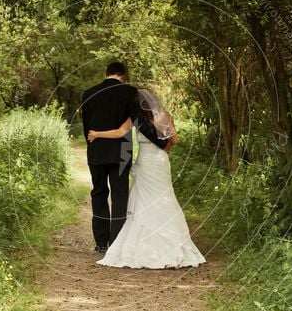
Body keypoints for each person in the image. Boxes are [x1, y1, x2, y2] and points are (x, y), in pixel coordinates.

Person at [87, 88, 206, 269]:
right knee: (165, 198)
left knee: (143, 201)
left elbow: (120, 133)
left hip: (144, 162)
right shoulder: (165, 115)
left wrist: (97, 134)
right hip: (160, 162)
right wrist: (164, 153)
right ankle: (171, 244)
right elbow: (175, 139)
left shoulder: (135, 118)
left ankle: (143, 247)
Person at [81, 62, 169, 252]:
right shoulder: (129, 92)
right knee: (120, 195)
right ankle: (116, 242)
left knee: (99, 193)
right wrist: (161, 142)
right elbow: (139, 121)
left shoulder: (88, 94)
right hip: (122, 152)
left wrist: (93, 146)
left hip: (96, 151)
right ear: (123, 75)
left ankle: (101, 242)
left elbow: (86, 129)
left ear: (107, 73)